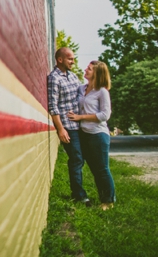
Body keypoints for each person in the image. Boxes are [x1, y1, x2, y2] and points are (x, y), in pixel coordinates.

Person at [68, 61, 116, 210]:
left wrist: (80, 117)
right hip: (84, 134)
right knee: (94, 169)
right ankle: (101, 196)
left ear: (97, 73)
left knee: (102, 169)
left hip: (98, 134)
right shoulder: (82, 88)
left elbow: (105, 115)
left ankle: (108, 201)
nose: (85, 70)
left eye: (89, 69)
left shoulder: (102, 91)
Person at [48, 47, 90, 205]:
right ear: (60, 60)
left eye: (73, 58)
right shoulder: (54, 78)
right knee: (76, 158)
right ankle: (79, 195)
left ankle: (78, 191)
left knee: (80, 158)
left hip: (80, 125)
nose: (73, 61)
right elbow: (53, 106)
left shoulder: (73, 76)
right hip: (68, 126)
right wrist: (60, 129)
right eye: (70, 59)